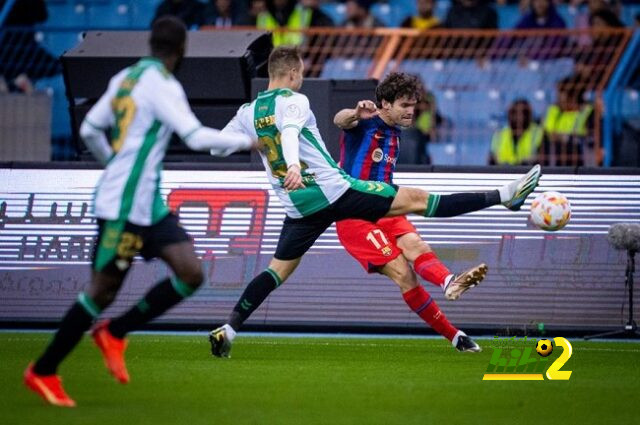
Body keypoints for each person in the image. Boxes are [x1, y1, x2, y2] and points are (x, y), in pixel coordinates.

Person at [207, 46, 541, 358]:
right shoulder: (296, 101)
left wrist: (255, 141)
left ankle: (230, 329)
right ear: (294, 73)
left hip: (298, 204)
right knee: (419, 201)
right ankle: (504, 197)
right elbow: (317, 126)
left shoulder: (247, 112)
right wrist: (294, 162)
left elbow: (217, 147)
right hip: (335, 193)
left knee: (277, 271)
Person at [23, 16, 255, 407]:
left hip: (148, 203)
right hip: (122, 205)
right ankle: (43, 370)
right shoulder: (161, 84)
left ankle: (116, 332)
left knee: (190, 272)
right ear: (181, 50)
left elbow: (89, 131)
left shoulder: (125, 78)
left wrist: (113, 160)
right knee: (101, 291)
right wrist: (247, 141)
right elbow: (194, 135)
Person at [334, 73, 486, 352]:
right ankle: (455, 336)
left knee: (416, 244)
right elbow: (340, 120)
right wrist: (355, 112)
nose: (411, 111)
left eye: (413, 105)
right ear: (385, 103)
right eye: (404, 105)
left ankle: (449, 282)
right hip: (354, 215)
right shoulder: (365, 123)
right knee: (404, 274)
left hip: (385, 209)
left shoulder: (395, 133)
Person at [489, 99, 545, 165]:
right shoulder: (499, 134)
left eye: (524, 113)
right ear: (509, 115)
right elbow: (492, 160)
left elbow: (543, 158)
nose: (519, 117)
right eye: (515, 113)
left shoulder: (537, 132)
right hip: (503, 172)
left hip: (529, 171)